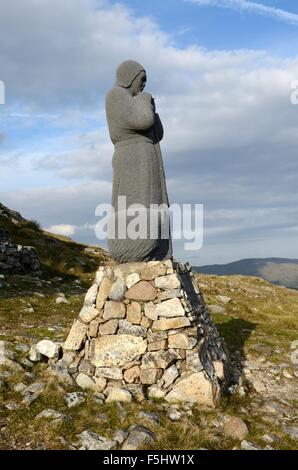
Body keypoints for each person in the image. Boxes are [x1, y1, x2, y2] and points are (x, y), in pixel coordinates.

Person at [105, 59, 172, 263]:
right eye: (141, 80)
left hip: (145, 155)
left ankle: (158, 251)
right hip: (132, 157)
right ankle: (136, 249)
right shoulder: (116, 95)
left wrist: (151, 107)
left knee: (153, 201)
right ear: (129, 78)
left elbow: (157, 133)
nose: (143, 85)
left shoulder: (134, 99)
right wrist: (144, 100)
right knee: (138, 202)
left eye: (145, 81)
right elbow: (142, 121)